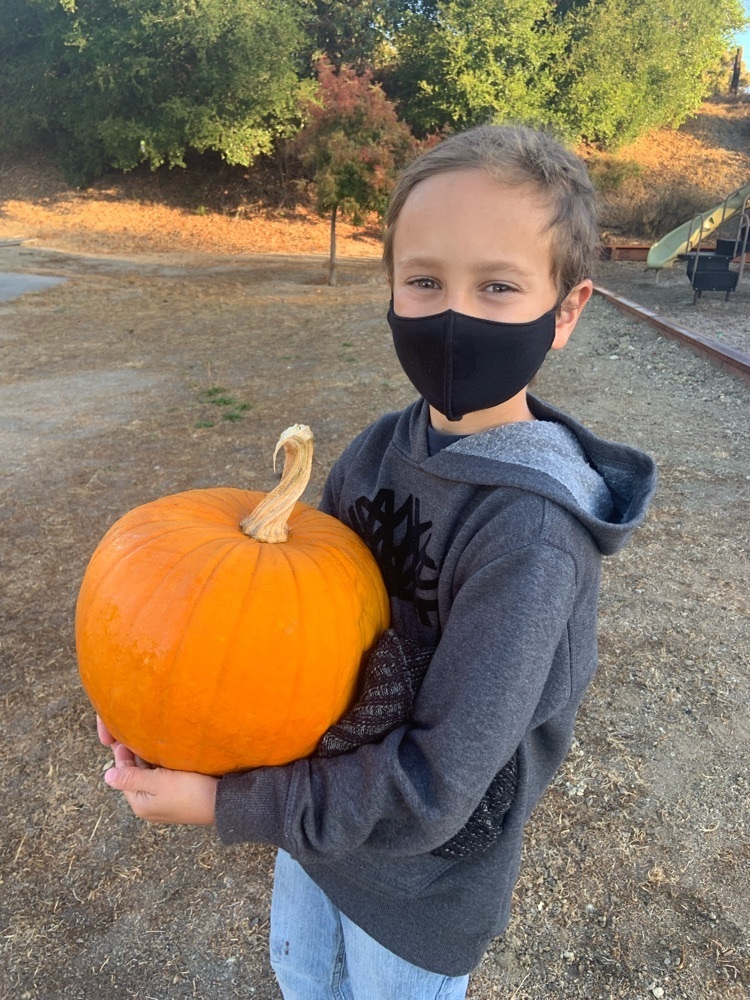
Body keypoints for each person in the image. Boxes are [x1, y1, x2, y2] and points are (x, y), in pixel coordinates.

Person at [98, 124, 657, 999]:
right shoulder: (375, 453)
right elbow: (278, 640)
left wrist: (224, 804)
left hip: (420, 892)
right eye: (425, 281)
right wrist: (171, 729)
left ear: (567, 310)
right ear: (391, 286)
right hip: (320, 842)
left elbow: (435, 790)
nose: (453, 315)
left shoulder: (529, 538)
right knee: (302, 977)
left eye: (499, 286)